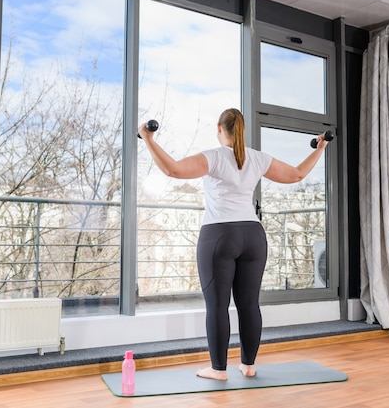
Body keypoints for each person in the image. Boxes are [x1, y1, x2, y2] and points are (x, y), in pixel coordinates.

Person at [137, 108, 330, 381]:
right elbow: (298, 174)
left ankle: (218, 370)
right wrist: (320, 148)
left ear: (219, 128)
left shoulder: (213, 157)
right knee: (249, 304)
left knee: (217, 306)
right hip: (253, 235)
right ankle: (249, 365)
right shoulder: (258, 158)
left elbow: (173, 169)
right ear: (243, 130)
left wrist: (148, 138)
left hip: (219, 235)